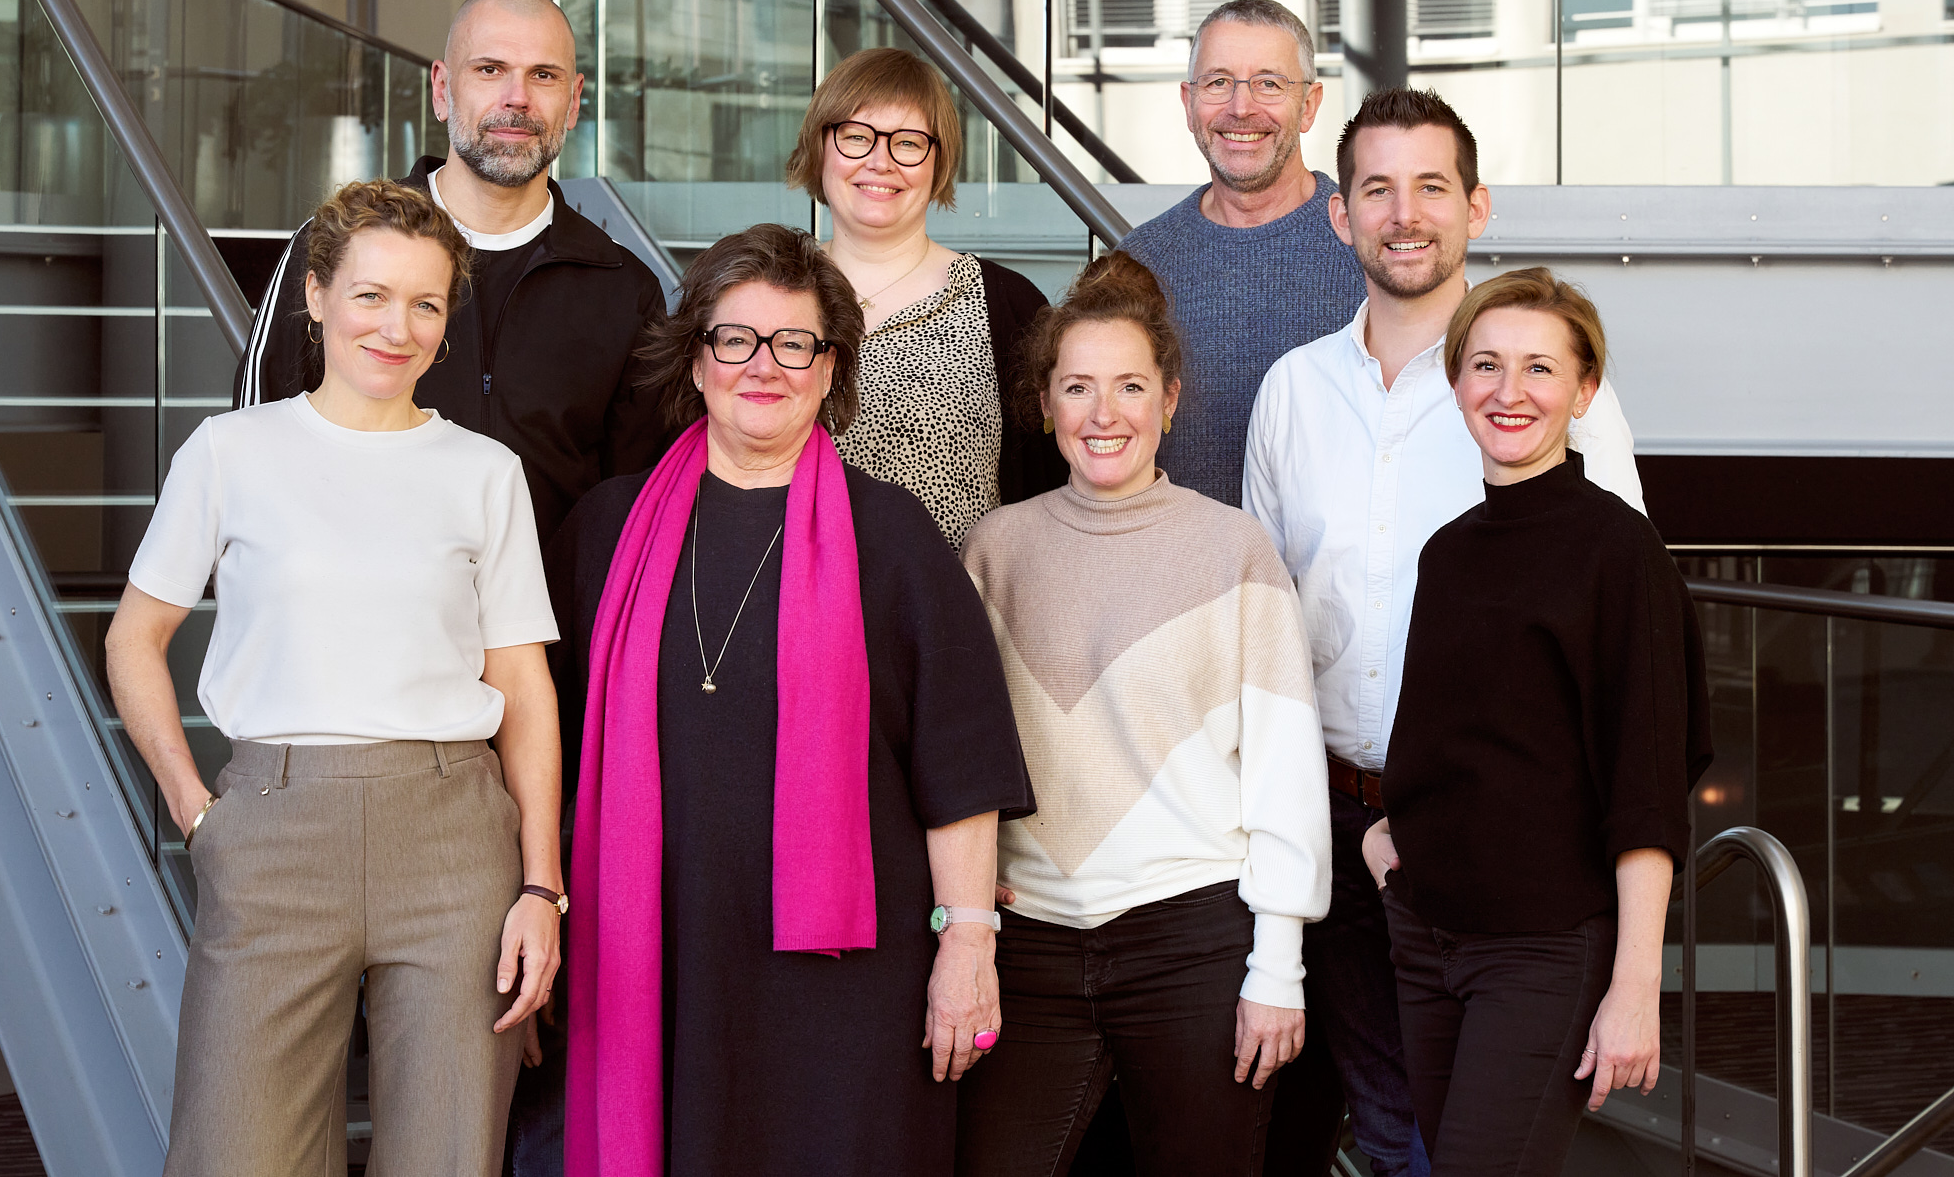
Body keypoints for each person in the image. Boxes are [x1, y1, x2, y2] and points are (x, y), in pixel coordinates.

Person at [106, 181, 565, 1176]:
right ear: (315, 297)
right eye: (370, 295)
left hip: (453, 839)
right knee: (232, 1155)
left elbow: (524, 689)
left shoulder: (484, 471)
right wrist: (195, 810)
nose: (396, 328)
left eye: (425, 304)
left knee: (447, 1156)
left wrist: (542, 885)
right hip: (273, 828)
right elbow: (134, 639)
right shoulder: (231, 452)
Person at [554, 224, 1034, 1175]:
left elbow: (960, 766)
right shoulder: (605, 529)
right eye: (736, 338)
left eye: (794, 342)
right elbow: (546, 750)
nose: (762, 365)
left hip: (850, 985)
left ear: (831, 369)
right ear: (696, 360)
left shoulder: (894, 538)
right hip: (656, 958)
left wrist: (968, 944)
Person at [1240, 88, 1648, 1177]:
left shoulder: (1541, 394)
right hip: (1340, 827)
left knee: (1469, 1148)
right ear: (1339, 215)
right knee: (1386, 1131)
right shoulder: (1291, 392)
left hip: (1504, 854)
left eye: (1431, 187)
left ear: (1476, 207)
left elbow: (1616, 632)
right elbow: (1263, 628)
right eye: (1376, 189)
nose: (1404, 214)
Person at [956, 252, 1330, 1176]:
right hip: (1029, 945)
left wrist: (1277, 966)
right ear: (1044, 404)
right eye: (1077, 386)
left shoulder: (1233, 548)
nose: (1104, 412)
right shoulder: (996, 547)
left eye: (1129, 386)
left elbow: (1285, 771)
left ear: (1169, 399)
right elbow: (957, 749)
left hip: (1193, 941)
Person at [1362, 268, 1712, 1175]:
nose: (1508, 391)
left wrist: (1635, 986)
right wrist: (1388, 836)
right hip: (1427, 939)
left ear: (1584, 391)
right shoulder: (1448, 553)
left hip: (1544, 950)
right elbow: (1446, 741)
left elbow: (1647, 788)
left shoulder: (1619, 550)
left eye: (1539, 368)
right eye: (1485, 364)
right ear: (1456, 383)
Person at [235, 0, 667, 546]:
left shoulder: (622, 289)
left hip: (549, 604)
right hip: (362, 596)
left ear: (574, 101)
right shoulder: (341, 245)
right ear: (442, 89)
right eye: (490, 70)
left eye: (543, 75)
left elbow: (639, 508)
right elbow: (258, 444)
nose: (517, 97)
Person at [784, 46, 1066, 547]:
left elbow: (1052, 494)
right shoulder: (764, 291)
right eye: (857, 136)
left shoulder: (1009, 306)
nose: (880, 162)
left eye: (909, 143)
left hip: (957, 594)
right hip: (789, 593)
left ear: (939, 161)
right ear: (820, 145)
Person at [1114, 0, 1368, 510]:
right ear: (1189, 103)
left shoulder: (1371, 248)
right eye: (1218, 82)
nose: (1241, 107)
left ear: (1310, 105)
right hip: (1181, 560)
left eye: (1269, 83)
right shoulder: (1137, 265)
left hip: (1339, 560)